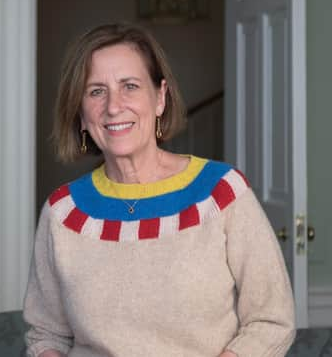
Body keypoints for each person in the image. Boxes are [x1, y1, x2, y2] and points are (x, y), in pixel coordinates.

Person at [23, 23, 295, 357]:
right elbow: (46, 335)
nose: (113, 106)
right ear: (80, 114)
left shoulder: (223, 193)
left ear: (160, 98)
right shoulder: (63, 212)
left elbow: (271, 321)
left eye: (130, 86)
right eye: (96, 91)